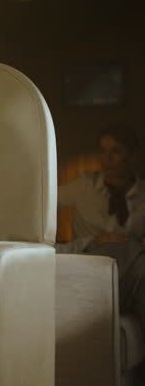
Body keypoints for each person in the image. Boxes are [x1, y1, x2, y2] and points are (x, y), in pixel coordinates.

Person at [57, 124, 145, 333]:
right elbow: (39, 203)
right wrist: (93, 240)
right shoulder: (84, 186)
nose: (107, 158)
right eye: (103, 151)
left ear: (132, 156)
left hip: (131, 275)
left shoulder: (143, 195)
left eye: (116, 151)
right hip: (94, 271)